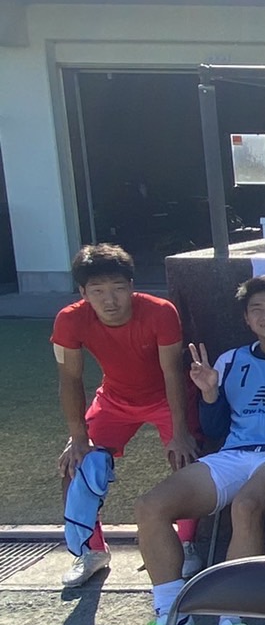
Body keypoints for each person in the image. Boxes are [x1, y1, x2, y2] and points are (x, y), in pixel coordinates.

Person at [113, 275, 265, 625]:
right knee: (150, 506)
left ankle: (231, 621)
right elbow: (214, 429)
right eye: (256, 309)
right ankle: (172, 618)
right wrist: (210, 393)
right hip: (234, 454)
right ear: (246, 318)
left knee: (245, 506)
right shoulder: (231, 360)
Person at [51, 244, 200, 590]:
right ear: (83, 292)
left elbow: (172, 373)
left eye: (118, 288)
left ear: (131, 285)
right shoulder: (70, 319)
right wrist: (78, 437)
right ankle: (91, 550)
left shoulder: (160, 311)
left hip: (165, 397)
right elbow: (69, 379)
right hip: (115, 397)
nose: (110, 300)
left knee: (187, 460)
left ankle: (186, 543)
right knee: (75, 465)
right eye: (98, 291)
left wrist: (180, 432)